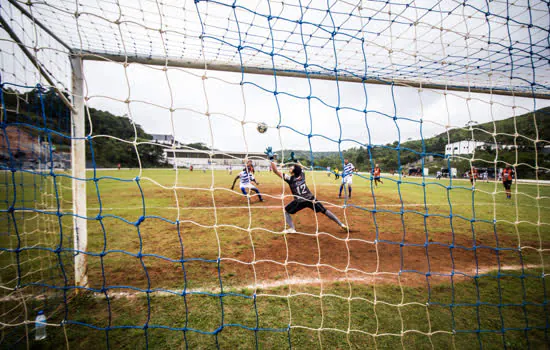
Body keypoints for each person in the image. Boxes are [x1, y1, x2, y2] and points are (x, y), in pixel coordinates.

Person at [265, 147, 347, 233]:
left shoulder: (290, 179)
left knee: (286, 211)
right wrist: (296, 160)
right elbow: (301, 167)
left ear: (293, 172)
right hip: (310, 199)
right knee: (324, 211)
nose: (290, 168)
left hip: (300, 201)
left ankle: (292, 228)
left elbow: (275, 171)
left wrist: (271, 159)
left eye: (291, 167)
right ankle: (341, 224)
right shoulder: (302, 175)